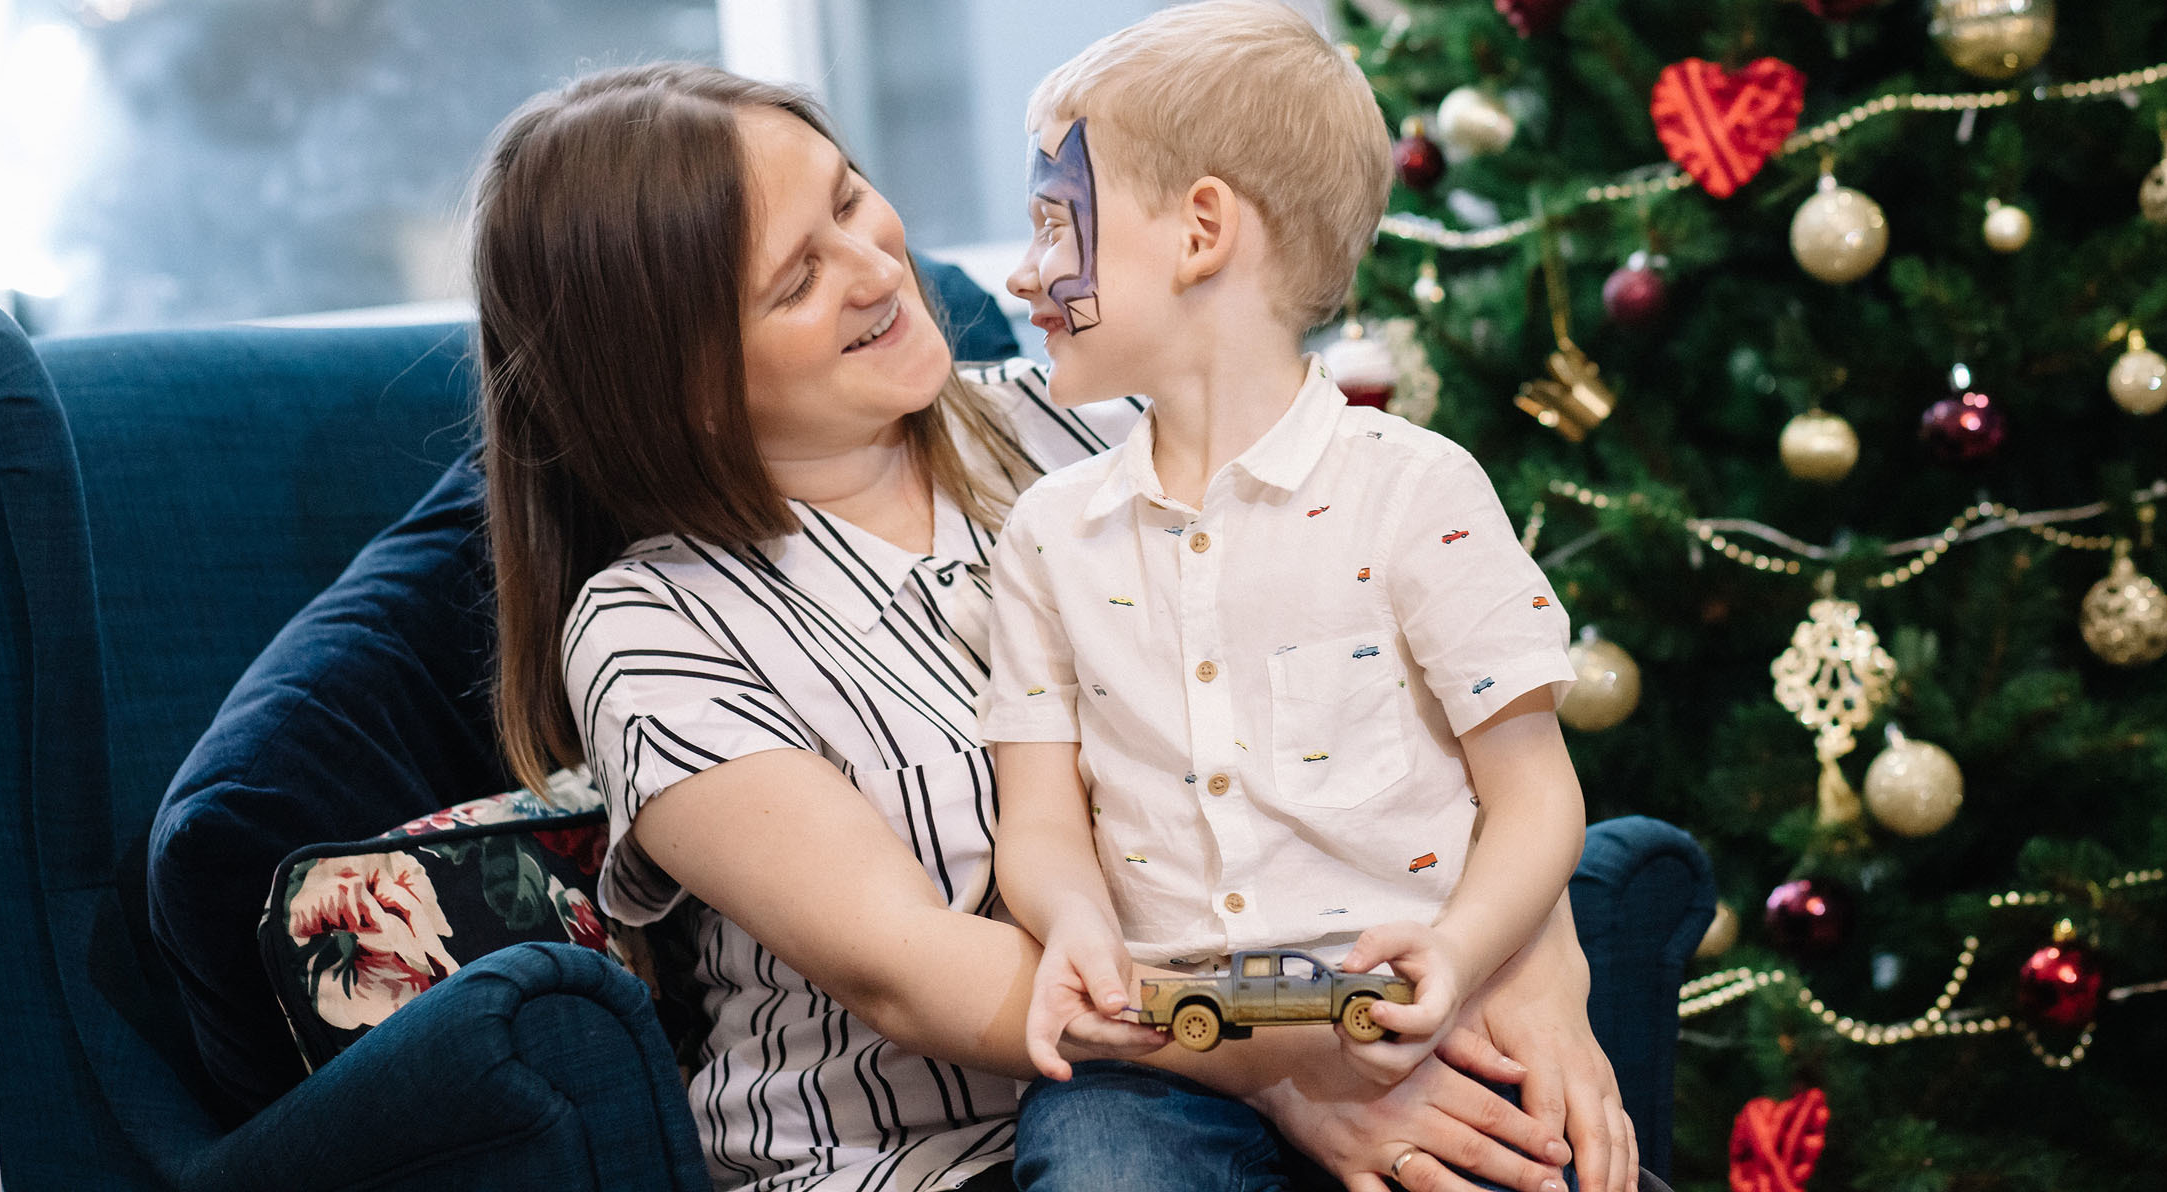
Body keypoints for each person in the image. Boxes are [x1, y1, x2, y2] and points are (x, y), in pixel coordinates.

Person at [473, 60, 1641, 1192]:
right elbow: (913, 974)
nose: (877, 265)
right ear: (683, 383)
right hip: (932, 1154)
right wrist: (1283, 1062)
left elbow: (1446, 733)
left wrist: (1540, 969)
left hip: (1307, 1040)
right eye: (795, 282)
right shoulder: (652, 629)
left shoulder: (1086, 423)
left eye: (847, 198)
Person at [983, 0, 1591, 1192]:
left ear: (1202, 230)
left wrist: (1460, 952)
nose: (1023, 273)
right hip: (1160, 1060)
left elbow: (1534, 793)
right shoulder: (1049, 533)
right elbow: (1041, 815)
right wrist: (1073, 920)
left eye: (1059, 225)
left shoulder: (1418, 491)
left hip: (1422, 1030)